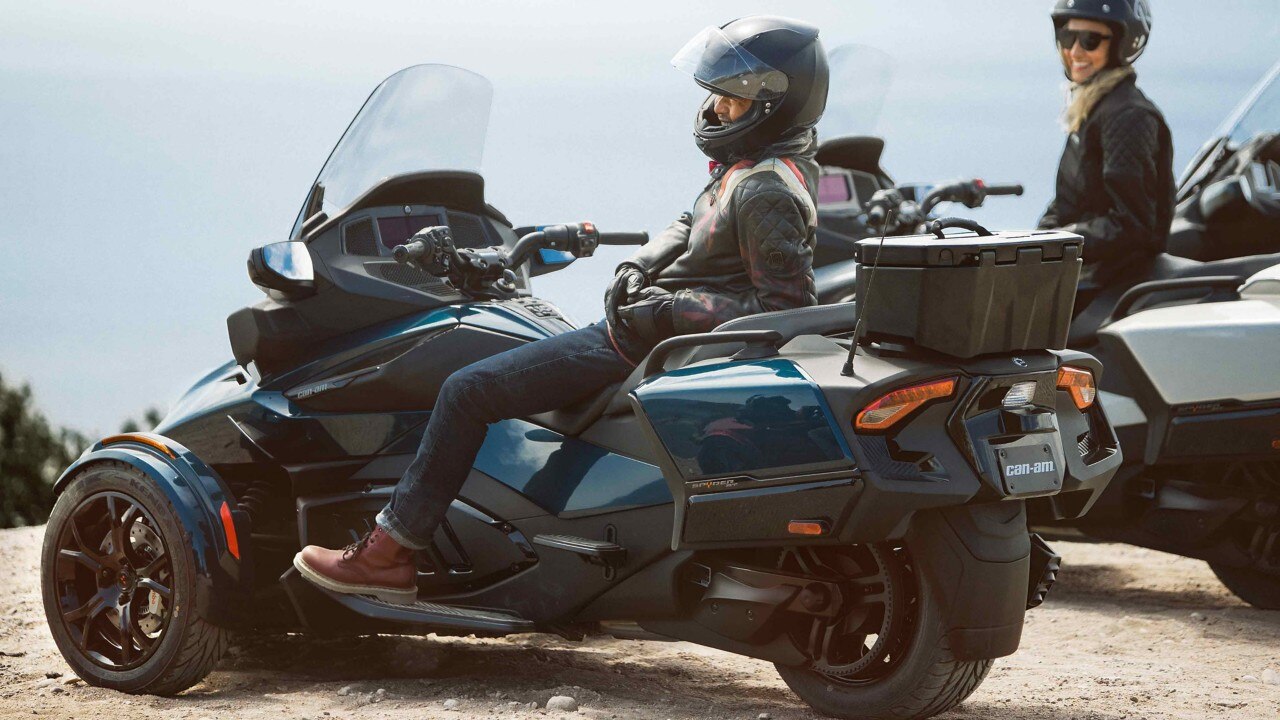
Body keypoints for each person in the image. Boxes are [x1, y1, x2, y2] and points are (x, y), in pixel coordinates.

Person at [292, 16, 830, 604]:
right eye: (718, 91)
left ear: (774, 103)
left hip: (637, 342)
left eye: (731, 96)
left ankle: (389, 553)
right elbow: (690, 223)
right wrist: (638, 265)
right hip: (643, 325)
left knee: (466, 391)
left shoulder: (765, 189)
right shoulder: (757, 166)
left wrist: (664, 309)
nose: (716, 106)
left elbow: (781, 306)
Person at [1037, 0, 1174, 303]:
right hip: (1086, 269)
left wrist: (1060, 240)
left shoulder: (1128, 116)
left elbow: (1132, 225)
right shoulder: (1094, 105)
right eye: (1067, 37)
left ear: (1122, 44)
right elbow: (1072, 199)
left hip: (1111, 281)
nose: (1075, 51)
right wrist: (1036, 239)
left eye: (1090, 40)